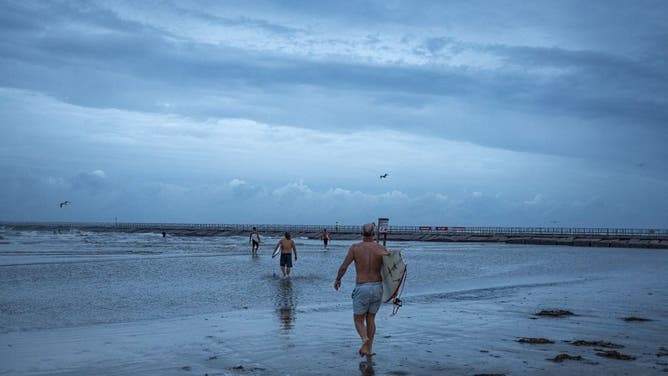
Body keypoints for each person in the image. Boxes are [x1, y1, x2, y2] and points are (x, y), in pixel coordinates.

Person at [334, 222, 388, 357]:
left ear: (361, 234)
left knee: (358, 319)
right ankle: (369, 350)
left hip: (362, 286)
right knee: (371, 318)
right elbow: (391, 270)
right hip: (377, 287)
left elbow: (343, 267)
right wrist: (392, 291)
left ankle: (364, 339)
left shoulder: (355, 248)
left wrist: (338, 279)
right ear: (374, 234)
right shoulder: (381, 249)